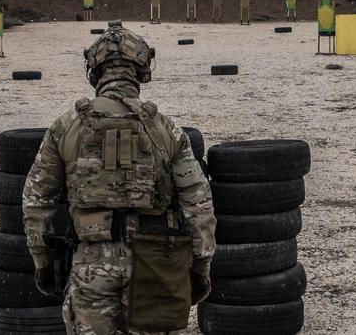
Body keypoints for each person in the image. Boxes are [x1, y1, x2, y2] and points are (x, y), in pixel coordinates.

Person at [22, 21, 215, 334]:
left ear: (94, 71)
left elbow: (36, 202)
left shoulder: (66, 127)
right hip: (156, 262)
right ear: (141, 70)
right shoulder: (167, 130)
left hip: (91, 262)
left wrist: (43, 262)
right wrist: (199, 266)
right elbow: (198, 203)